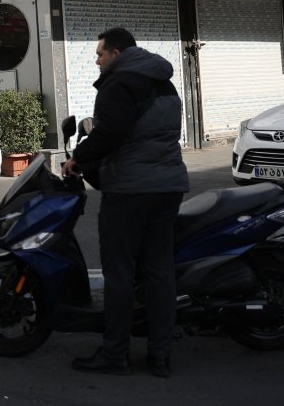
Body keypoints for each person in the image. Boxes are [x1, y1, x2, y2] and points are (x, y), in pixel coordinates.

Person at [60, 27, 188, 378]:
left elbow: (110, 133)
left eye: (100, 54)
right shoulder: (163, 80)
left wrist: (77, 159)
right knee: (159, 272)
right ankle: (160, 355)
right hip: (168, 185)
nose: (97, 60)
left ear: (116, 53)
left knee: (120, 274)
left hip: (130, 189)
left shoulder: (120, 83)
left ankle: (115, 353)